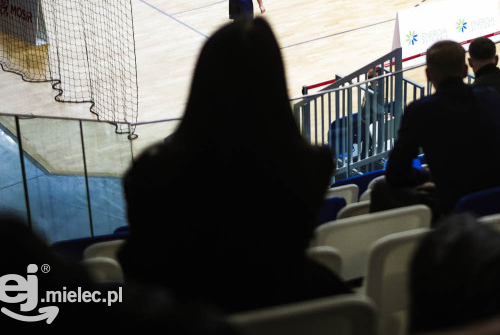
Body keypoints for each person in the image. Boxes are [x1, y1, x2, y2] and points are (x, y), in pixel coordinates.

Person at [119, 18, 346, 313]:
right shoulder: (313, 166)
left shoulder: (152, 172)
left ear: (203, 82)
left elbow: (136, 265)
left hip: (184, 313)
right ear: (276, 82)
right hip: (286, 305)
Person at [384, 40, 500, 214]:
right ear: (464, 70)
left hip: (458, 208)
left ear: (428, 75)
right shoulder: (491, 97)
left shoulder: (419, 110)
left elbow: (395, 173)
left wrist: (429, 176)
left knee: (381, 189)